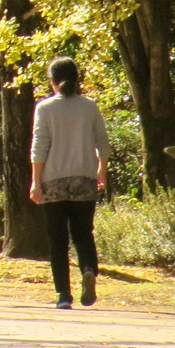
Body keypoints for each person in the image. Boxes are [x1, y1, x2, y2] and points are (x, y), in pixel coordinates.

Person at [31, 56, 110, 309]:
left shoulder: (45, 108)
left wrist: (35, 181)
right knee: (83, 234)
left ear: (52, 81)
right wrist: (102, 170)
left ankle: (63, 295)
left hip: (53, 180)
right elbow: (103, 143)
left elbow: (39, 147)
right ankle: (88, 269)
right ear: (77, 80)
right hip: (84, 178)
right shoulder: (90, 106)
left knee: (57, 240)